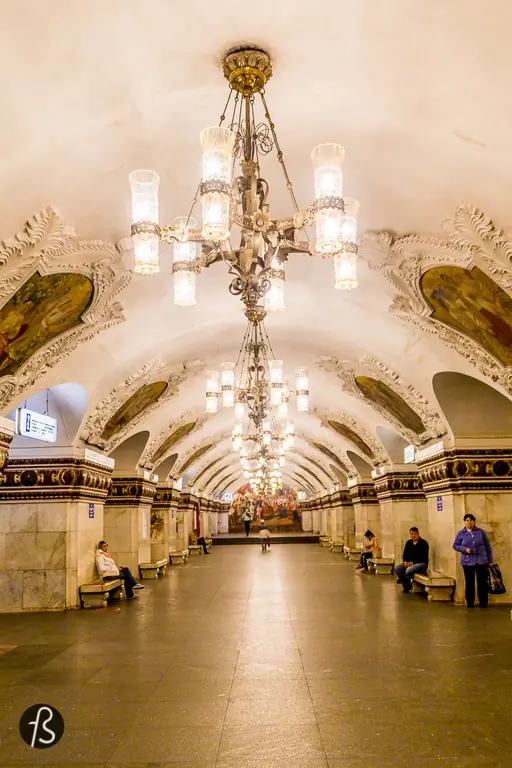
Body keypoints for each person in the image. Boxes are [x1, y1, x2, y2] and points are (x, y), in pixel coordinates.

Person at [453, 514, 493, 608]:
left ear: (474, 521)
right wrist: (464, 549)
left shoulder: (480, 532)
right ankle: (470, 602)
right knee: (469, 582)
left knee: (482, 582)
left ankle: (483, 602)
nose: (469, 522)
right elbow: (455, 545)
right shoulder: (461, 533)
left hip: (481, 560)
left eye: (471, 520)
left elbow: (488, 546)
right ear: (464, 522)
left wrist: (490, 560)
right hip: (467, 561)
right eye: (467, 520)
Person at [395, 527, 429, 593]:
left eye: (415, 534)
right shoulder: (408, 543)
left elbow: (423, 557)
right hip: (409, 563)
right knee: (397, 568)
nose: (413, 535)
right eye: (411, 534)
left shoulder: (424, 543)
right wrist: (405, 562)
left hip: (421, 564)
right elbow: (404, 554)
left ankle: (403, 580)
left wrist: (413, 563)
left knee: (409, 570)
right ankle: (407, 585)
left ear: (418, 534)